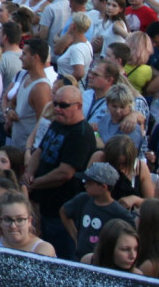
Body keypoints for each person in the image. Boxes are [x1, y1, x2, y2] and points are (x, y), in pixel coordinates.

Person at [23, 84, 97, 260]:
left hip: (61, 209)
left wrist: (33, 183)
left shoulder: (81, 133)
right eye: (55, 103)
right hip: (42, 203)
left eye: (63, 105)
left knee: (58, 255)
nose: (57, 108)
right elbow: (40, 150)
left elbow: (65, 173)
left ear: (78, 106)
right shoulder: (57, 123)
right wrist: (29, 173)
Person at [60, 162, 136, 259]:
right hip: (80, 257)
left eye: (89, 182)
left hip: (104, 262)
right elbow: (64, 211)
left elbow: (131, 236)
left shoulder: (120, 213)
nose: (85, 185)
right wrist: (76, 237)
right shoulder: (83, 199)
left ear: (103, 187)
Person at [0, 192, 56, 257]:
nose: (13, 226)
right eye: (7, 219)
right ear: (0, 222)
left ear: (29, 221)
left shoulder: (43, 248)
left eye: (19, 220)